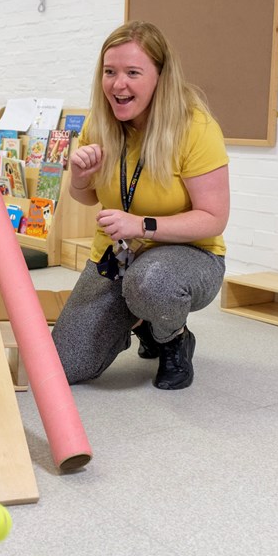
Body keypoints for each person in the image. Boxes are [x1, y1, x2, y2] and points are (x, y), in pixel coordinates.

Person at [51, 21, 230, 390]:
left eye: (133, 72)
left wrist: (142, 225)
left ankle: (173, 338)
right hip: (117, 257)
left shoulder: (194, 126)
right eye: (110, 72)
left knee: (152, 282)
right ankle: (143, 321)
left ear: (161, 78)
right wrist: (81, 176)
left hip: (188, 256)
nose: (118, 84)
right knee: (64, 366)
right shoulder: (98, 124)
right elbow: (84, 197)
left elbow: (214, 218)